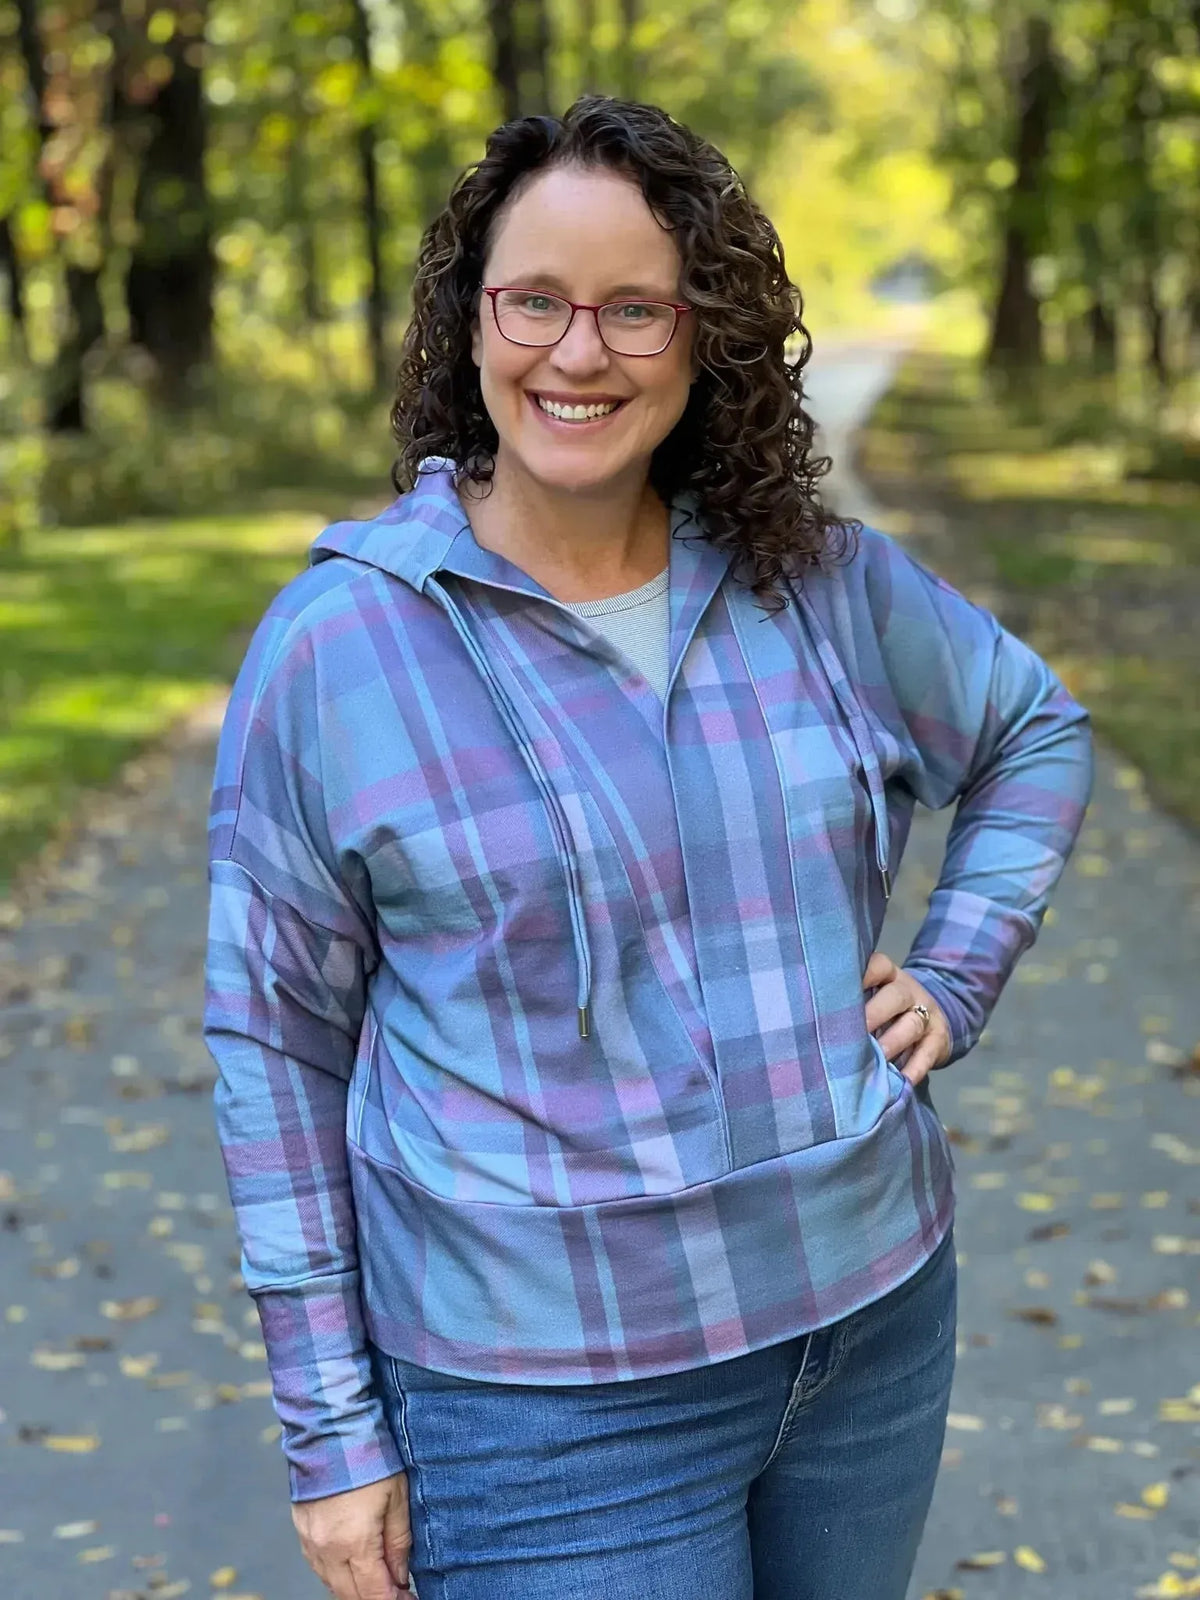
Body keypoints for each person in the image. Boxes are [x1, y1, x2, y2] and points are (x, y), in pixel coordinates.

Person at [204, 96, 1092, 1600]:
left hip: (866, 1327)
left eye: (635, 307)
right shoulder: (340, 649)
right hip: (547, 1407)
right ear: (469, 322)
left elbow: (1034, 732)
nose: (577, 351)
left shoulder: (817, 583)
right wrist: (334, 1434)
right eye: (534, 300)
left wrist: (957, 968)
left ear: (703, 337)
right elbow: (274, 1048)